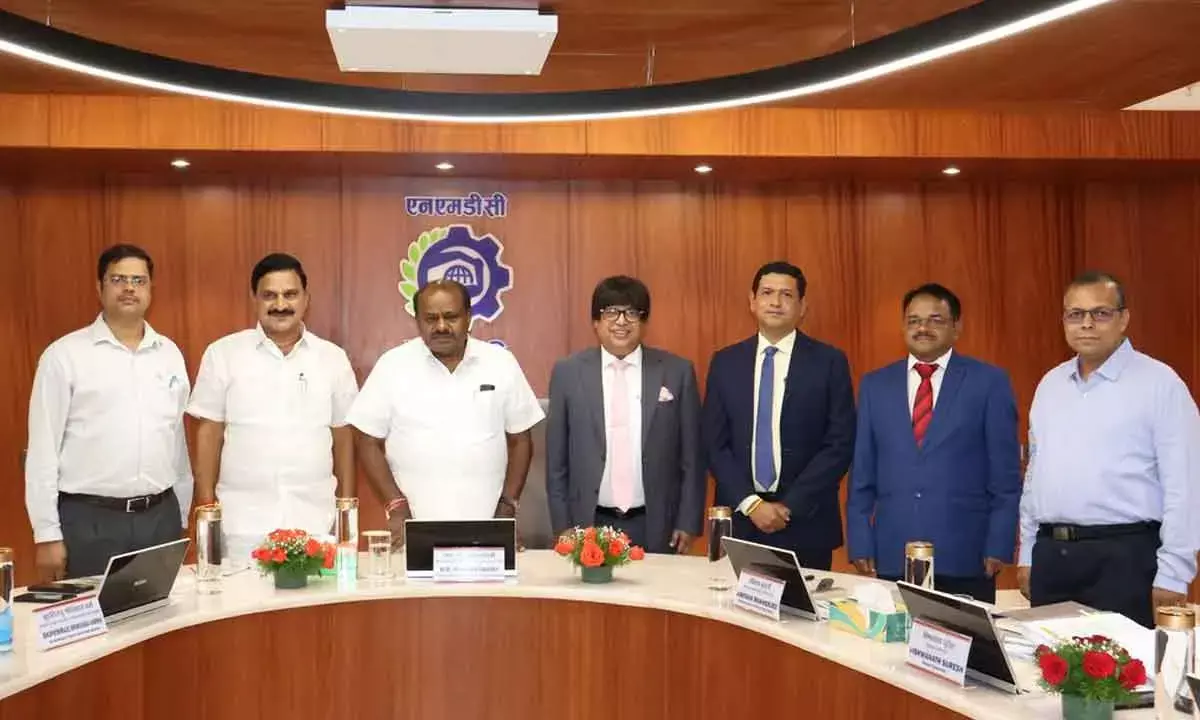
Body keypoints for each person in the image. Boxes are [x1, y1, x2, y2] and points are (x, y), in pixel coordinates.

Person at [1019, 271, 1200, 627]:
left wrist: (1175, 573)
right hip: (1053, 558)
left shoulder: (1160, 384)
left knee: (1121, 680)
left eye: (1100, 313)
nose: (1086, 324)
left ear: (1124, 319)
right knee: (1046, 676)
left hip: (1126, 560)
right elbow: (1035, 479)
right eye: (1075, 314)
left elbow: (1187, 483)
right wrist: (1028, 554)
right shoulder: (1050, 385)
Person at [25, 244, 192, 580]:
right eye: (118, 279)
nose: (129, 288)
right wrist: (46, 534)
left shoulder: (169, 353)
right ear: (99, 288)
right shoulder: (64, 356)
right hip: (90, 521)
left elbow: (176, 438)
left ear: (150, 289)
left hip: (161, 518)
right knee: (95, 628)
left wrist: (183, 516)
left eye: (138, 280)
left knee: (161, 624)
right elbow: (42, 450)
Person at [846, 283, 1020, 602]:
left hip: (966, 553)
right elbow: (862, 472)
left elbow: (1006, 476)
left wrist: (999, 542)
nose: (922, 328)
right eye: (913, 320)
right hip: (892, 550)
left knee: (966, 649)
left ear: (957, 327)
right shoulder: (875, 385)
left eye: (935, 320)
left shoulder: (989, 382)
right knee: (892, 649)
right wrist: (860, 540)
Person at [187, 253, 359, 563]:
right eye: (269, 295)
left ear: (306, 299)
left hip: (315, 521)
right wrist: (207, 509)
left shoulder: (332, 358)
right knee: (241, 610)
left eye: (290, 294)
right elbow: (208, 432)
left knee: (313, 611)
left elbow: (344, 433)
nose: (280, 304)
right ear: (254, 299)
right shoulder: (223, 353)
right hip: (242, 524)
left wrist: (345, 509)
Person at [346, 279, 544, 547]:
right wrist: (396, 506)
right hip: (413, 530)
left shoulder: (500, 363)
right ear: (417, 321)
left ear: (469, 318)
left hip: (488, 527)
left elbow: (521, 439)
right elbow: (366, 439)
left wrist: (507, 506)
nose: (441, 326)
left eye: (450, 317)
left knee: (487, 591)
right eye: (430, 318)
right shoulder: (393, 366)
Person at [702, 261, 855, 570]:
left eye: (786, 294)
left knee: (804, 616)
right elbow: (713, 444)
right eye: (767, 292)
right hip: (741, 520)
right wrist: (752, 504)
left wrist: (790, 506)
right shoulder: (725, 362)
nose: (775, 302)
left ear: (802, 307)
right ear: (752, 301)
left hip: (806, 521)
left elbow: (839, 443)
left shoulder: (829, 362)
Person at [546, 276, 704, 554]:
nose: (621, 321)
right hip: (588, 522)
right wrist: (563, 524)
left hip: (656, 524)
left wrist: (688, 521)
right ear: (596, 322)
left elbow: (692, 456)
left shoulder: (676, 372)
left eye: (632, 312)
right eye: (610, 312)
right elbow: (556, 459)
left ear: (644, 322)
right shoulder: (568, 373)